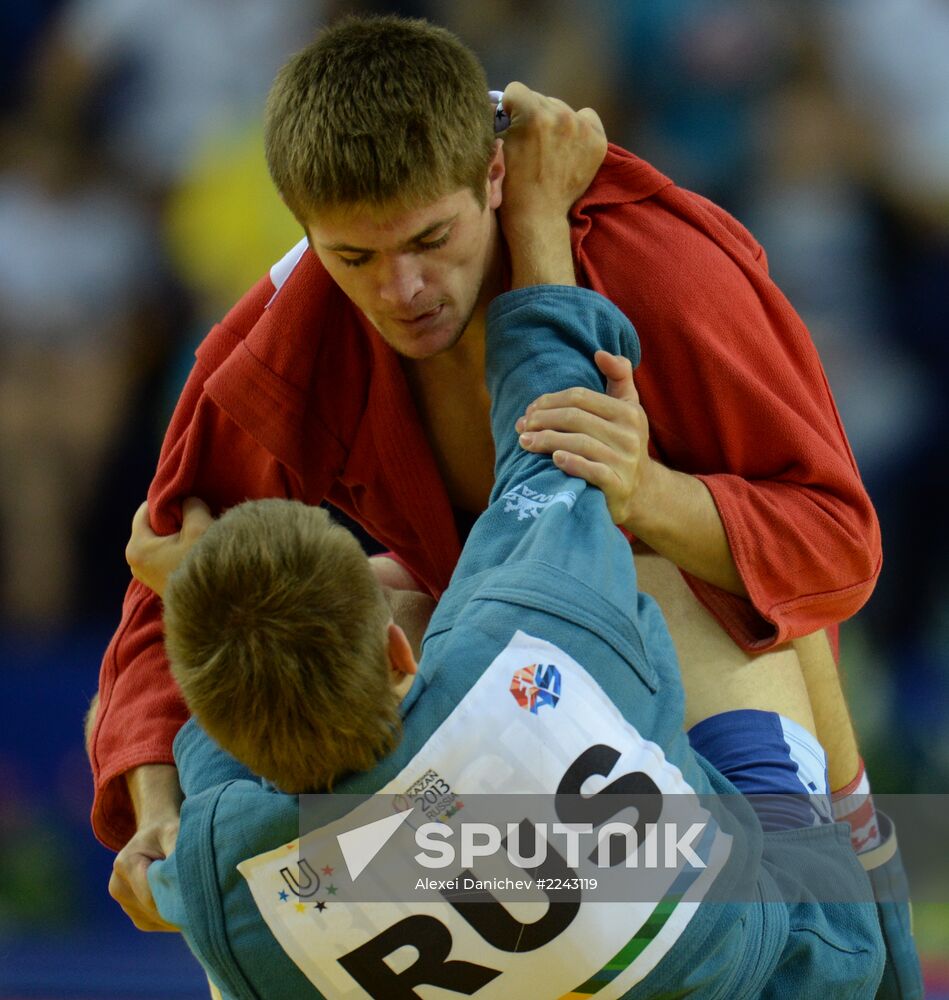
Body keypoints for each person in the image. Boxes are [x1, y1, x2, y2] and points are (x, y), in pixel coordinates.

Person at [90, 14, 913, 986]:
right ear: (304, 231)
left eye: (430, 240)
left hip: (637, 626)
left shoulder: (663, 269)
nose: (402, 290)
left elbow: (837, 546)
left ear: (494, 175)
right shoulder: (286, 327)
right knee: (295, 604)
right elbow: (171, 598)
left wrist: (649, 493)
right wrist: (156, 812)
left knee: (698, 583)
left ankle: (847, 894)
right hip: (523, 660)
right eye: (353, 259)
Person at [143, 249, 886, 997]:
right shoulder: (514, 649)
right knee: (705, 583)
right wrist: (535, 228)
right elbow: (559, 447)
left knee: (248, 963)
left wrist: (191, 592)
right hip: (786, 969)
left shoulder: (215, 862)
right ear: (400, 655)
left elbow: (176, 782)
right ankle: (864, 867)